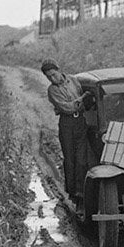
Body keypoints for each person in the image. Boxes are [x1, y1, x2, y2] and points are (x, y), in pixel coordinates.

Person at [40, 59, 95, 203]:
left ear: (59, 70)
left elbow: (87, 101)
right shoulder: (52, 90)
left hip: (80, 122)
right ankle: (73, 193)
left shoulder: (74, 80)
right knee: (70, 159)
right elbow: (68, 108)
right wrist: (82, 99)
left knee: (82, 159)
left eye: (53, 74)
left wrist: (81, 101)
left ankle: (83, 192)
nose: (52, 78)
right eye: (49, 77)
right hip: (66, 124)